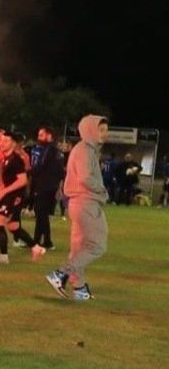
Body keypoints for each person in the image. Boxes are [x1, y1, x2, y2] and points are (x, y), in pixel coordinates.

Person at [47, 115, 109, 301]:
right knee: (97, 246)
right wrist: (102, 189)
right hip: (86, 202)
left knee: (79, 248)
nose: (105, 134)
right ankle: (60, 273)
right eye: (101, 130)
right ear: (90, 130)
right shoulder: (85, 150)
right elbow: (85, 178)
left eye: (106, 130)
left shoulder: (86, 149)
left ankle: (80, 288)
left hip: (80, 202)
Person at [0, 129, 36, 263]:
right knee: (13, 226)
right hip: (10, 195)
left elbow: (22, 180)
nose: (2, 143)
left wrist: (4, 191)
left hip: (14, 197)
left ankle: (3, 256)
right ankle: (36, 247)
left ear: (13, 144)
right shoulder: (6, 158)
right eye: (1, 140)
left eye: (6, 141)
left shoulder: (16, 159)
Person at [27, 126, 64, 253]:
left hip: (45, 185)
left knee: (40, 213)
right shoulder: (56, 151)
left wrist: (28, 171)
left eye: (41, 135)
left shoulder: (48, 149)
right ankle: (43, 241)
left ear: (49, 136)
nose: (39, 138)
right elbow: (60, 171)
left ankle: (41, 242)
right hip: (51, 185)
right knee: (42, 214)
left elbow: (41, 165)